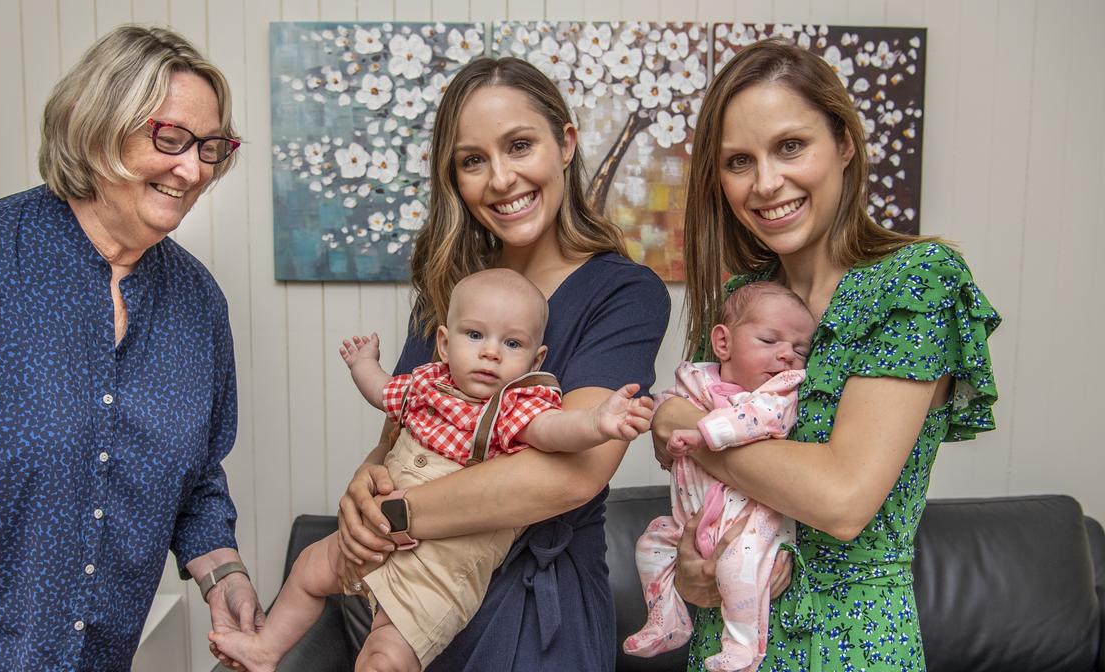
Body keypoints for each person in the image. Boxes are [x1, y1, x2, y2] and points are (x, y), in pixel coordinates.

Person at [0, 25, 262, 672]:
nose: (193, 169)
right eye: (168, 138)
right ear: (96, 128)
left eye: (211, 147)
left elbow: (196, 482)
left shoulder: (198, 306)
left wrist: (225, 579)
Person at [653, 38, 1001, 671]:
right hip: (727, 638)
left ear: (843, 142)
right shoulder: (745, 298)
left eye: (790, 147)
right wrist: (691, 566)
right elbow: (694, 478)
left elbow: (841, 500)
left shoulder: (917, 281)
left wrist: (681, 427)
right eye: (738, 161)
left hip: (849, 647)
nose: (765, 183)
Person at [330, 56, 671, 671]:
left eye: (519, 145)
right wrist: (362, 487)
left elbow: (570, 475)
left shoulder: (624, 293)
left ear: (565, 143)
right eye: (472, 160)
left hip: (538, 611)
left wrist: (394, 513)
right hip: (420, 598)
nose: (501, 179)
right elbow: (400, 430)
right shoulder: (449, 289)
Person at [211, 268, 655, 671]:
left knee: (384, 656)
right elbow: (382, 392)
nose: (491, 354)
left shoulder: (513, 407)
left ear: (535, 362)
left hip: (438, 570)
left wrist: (598, 422)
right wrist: (363, 364)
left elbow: (558, 431)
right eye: (475, 335)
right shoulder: (427, 384)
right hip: (370, 543)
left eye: (512, 344)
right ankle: (266, 650)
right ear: (444, 342)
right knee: (308, 568)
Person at [626, 281, 815, 671]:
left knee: (739, 565)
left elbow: (759, 421)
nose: (787, 356)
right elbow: (669, 407)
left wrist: (700, 433)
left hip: (751, 522)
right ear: (723, 343)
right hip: (693, 521)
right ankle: (667, 620)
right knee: (651, 544)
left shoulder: (780, 392)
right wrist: (657, 412)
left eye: (800, 350)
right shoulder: (698, 380)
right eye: (769, 340)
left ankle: (744, 648)